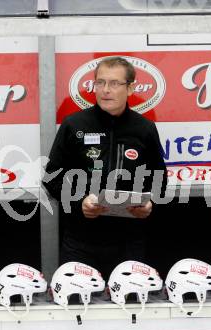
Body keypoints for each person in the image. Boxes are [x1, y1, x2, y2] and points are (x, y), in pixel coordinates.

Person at [43, 56, 167, 278]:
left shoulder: (145, 128)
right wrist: (79, 201)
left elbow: (160, 180)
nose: (105, 90)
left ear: (130, 88)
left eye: (114, 83)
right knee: (78, 308)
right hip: (80, 242)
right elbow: (51, 178)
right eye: (100, 83)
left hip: (129, 243)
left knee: (130, 308)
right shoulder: (74, 124)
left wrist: (149, 204)